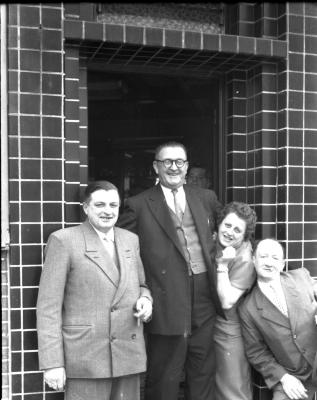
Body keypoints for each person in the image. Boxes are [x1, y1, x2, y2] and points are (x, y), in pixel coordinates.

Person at [117, 141, 223, 400]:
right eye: (167, 162)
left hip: (204, 297)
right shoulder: (138, 204)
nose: (173, 167)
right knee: (165, 376)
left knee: (203, 372)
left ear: (186, 166)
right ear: (156, 166)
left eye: (179, 162)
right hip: (165, 299)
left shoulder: (206, 197)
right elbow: (123, 250)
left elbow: (230, 230)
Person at [36, 181, 153, 400]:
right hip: (86, 358)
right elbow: (48, 307)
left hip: (128, 354)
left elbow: (141, 285)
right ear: (86, 208)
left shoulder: (130, 240)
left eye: (113, 205)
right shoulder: (64, 240)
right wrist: (52, 363)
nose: (108, 211)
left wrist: (146, 300)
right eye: (100, 204)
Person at [239, 238, 317, 400]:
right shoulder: (248, 308)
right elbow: (257, 353)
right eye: (263, 256)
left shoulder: (301, 277)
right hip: (295, 376)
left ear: (282, 264)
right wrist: (284, 377)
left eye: (275, 258)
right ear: (254, 260)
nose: (269, 262)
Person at [213, 201, 257, 400]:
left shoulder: (244, 259)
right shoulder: (217, 243)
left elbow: (227, 301)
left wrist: (222, 266)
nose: (230, 232)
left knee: (232, 390)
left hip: (229, 332)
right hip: (211, 326)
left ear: (245, 235)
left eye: (237, 230)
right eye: (227, 225)